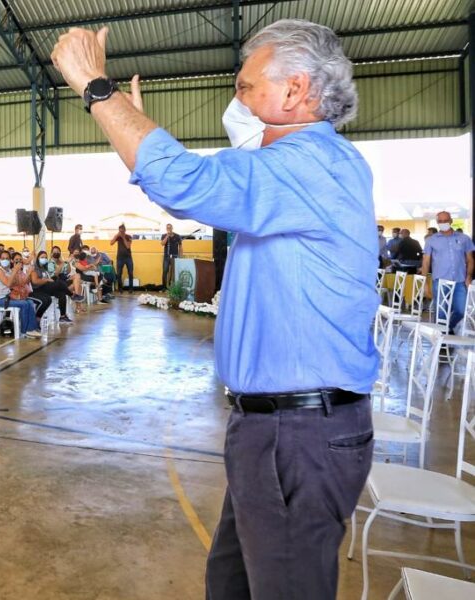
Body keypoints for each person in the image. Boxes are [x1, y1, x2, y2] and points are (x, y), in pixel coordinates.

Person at [53, 18, 377, 599]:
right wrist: (130, 129)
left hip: (296, 433)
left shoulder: (311, 164)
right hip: (276, 429)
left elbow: (186, 182)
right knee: (230, 584)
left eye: (247, 86)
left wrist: (97, 91)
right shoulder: (296, 171)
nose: (238, 99)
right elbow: (185, 190)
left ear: (295, 90)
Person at [421, 211, 474, 332]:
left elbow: (470, 259)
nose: (443, 223)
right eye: (440, 221)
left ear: (451, 221)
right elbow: (426, 261)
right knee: (440, 312)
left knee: (461, 311)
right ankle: (442, 337)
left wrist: (469, 276)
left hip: (460, 280)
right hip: (440, 281)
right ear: (437, 222)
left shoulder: (464, 238)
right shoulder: (431, 240)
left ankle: (448, 328)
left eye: (445, 220)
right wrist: (425, 282)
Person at [0, 250, 41, 338]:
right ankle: (24, 331)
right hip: (3, 299)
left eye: (7, 258)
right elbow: (8, 284)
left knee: (30, 302)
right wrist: (15, 271)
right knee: (25, 304)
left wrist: (27, 273)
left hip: (11, 296)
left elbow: (20, 283)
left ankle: (31, 329)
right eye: (3, 258)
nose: (5, 260)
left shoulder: (9, 270)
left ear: (9, 260)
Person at [29, 250, 73, 324]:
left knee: (62, 294)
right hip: (38, 289)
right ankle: (72, 295)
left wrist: (50, 279)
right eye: (42, 257)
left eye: (45, 257)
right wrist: (46, 280)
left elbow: (53, 276)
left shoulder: (44, 268)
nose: (44, 259)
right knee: (59, 283)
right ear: (38, 258)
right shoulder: (35, 268)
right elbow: (35, 282)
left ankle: (63, 316)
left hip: (46, 288)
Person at [110, 224, 134, 292]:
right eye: (120, 231)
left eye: (122, 231)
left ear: (125, 230)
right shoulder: (117, 236)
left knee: (130, 273)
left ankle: (131, 288)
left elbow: (128, 246)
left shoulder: (129, 236)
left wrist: (123, 238)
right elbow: (111, 243)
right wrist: (116, 235)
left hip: (128, 257)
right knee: (119, 273)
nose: (121, 232)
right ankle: (120, 288)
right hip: (120, 258)